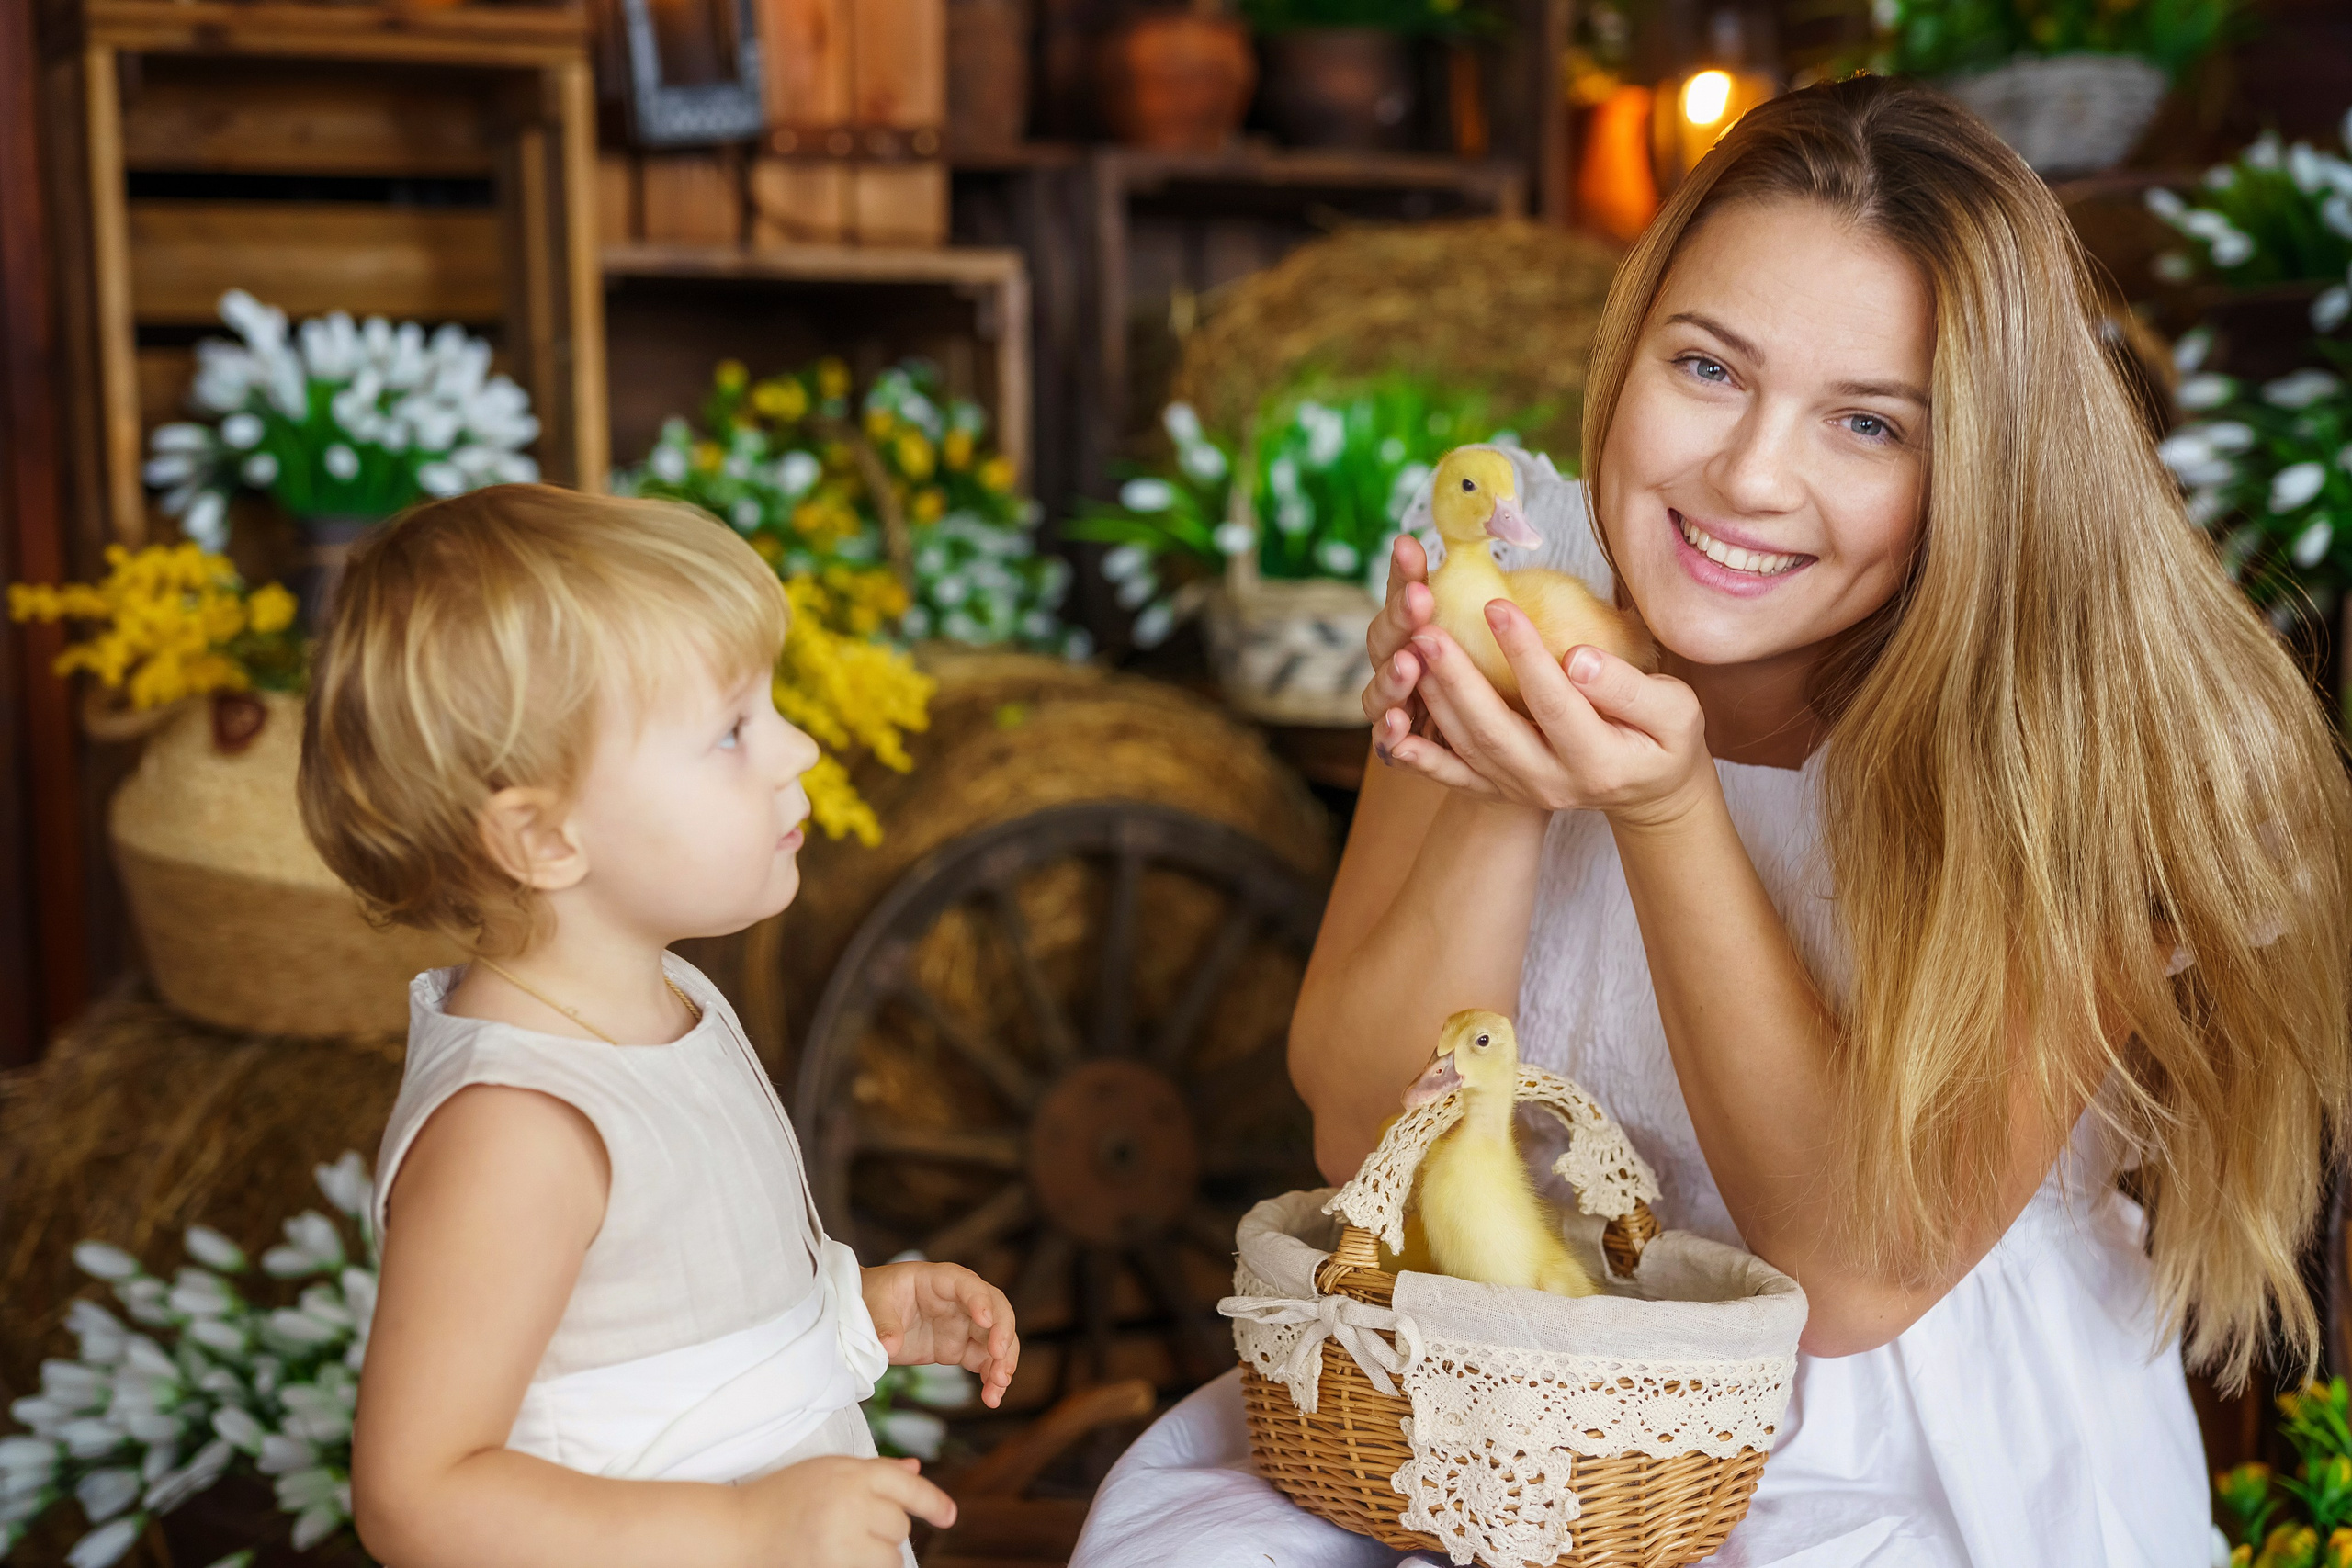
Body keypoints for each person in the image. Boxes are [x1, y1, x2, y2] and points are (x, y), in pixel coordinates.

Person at [1073, 73, 2351, 1565]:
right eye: (1709, 367)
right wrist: (1507, 770)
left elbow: (1853, 1275)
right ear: (1631, 348)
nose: (1751, 475)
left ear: (1979, 471)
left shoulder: (2065, 736)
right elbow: (1367, 1129)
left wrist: (1662, 803)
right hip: (1503, 1380)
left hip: (1895, 1444)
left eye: (1870, 423)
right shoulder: (1512, 576)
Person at [298, 487, 1020, 1568]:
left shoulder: (670, 1001)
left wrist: (852, 1322)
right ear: (543, 838)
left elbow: (659, 1336)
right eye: (733, 730)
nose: (801, 750)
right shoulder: (519, 1130)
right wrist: (738, 1529)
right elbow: (416, 1496)